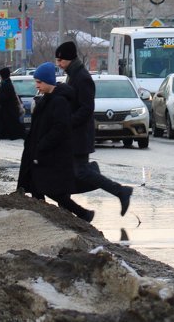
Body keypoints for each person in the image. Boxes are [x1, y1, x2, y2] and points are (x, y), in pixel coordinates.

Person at [55, 40, 134, 215]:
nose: (58, 64)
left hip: (80, 135)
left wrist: (68, 122)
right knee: (70, 172)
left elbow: (86, 108)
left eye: (60, 61)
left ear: (68, 59)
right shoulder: (72, 74)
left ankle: (121, 191)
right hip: (74, 135)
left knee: (82, 173)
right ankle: (68, 210)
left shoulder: (82, 77)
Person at [16, 62, 95, 222]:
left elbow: (59, 129)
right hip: (40, 151)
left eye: (39, 82)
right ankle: (43, 218)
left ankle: (82, 214)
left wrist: (42, 145)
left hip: (51, 154)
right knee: (37, 186)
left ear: (47, 82)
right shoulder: (47, 99)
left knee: (50, 188)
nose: (36, 85)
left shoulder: (59, 101)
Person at [0, 67, 25, 159]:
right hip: (5, 114)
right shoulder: (6, 83)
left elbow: (3, 99)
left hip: (9, 114)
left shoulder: (6, 85)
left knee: (21, 132)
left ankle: (33, 146)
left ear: (2, 75)